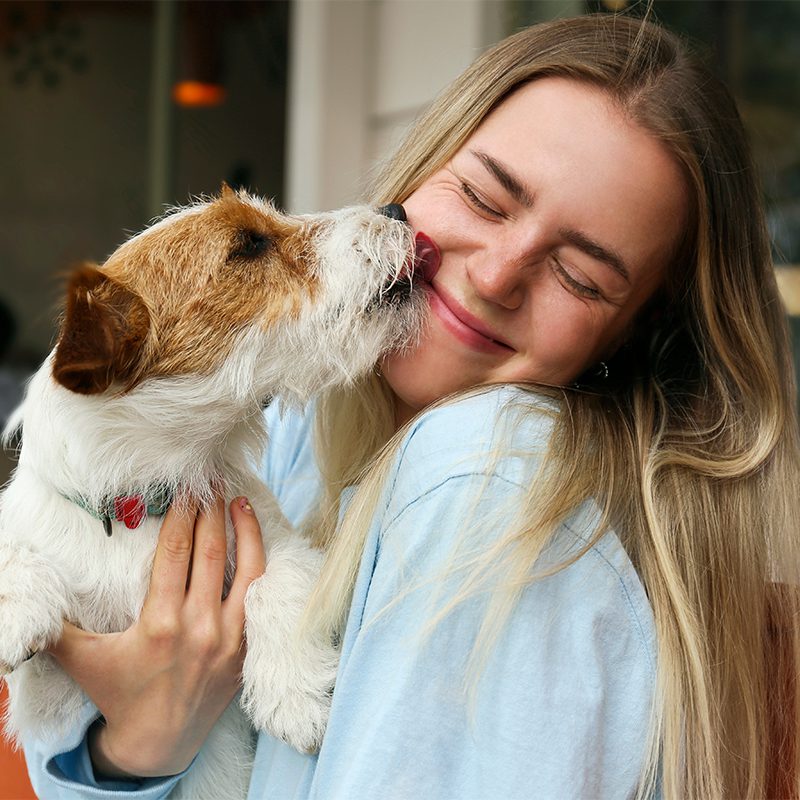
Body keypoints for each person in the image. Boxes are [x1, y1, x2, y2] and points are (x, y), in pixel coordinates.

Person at [21, 12, 800, 800]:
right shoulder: (288, 431)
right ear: (425, 168)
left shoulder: (487, 477)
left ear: (632, 338)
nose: (496, 276)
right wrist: (143, 746)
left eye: (581, 276)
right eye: (486, 198)